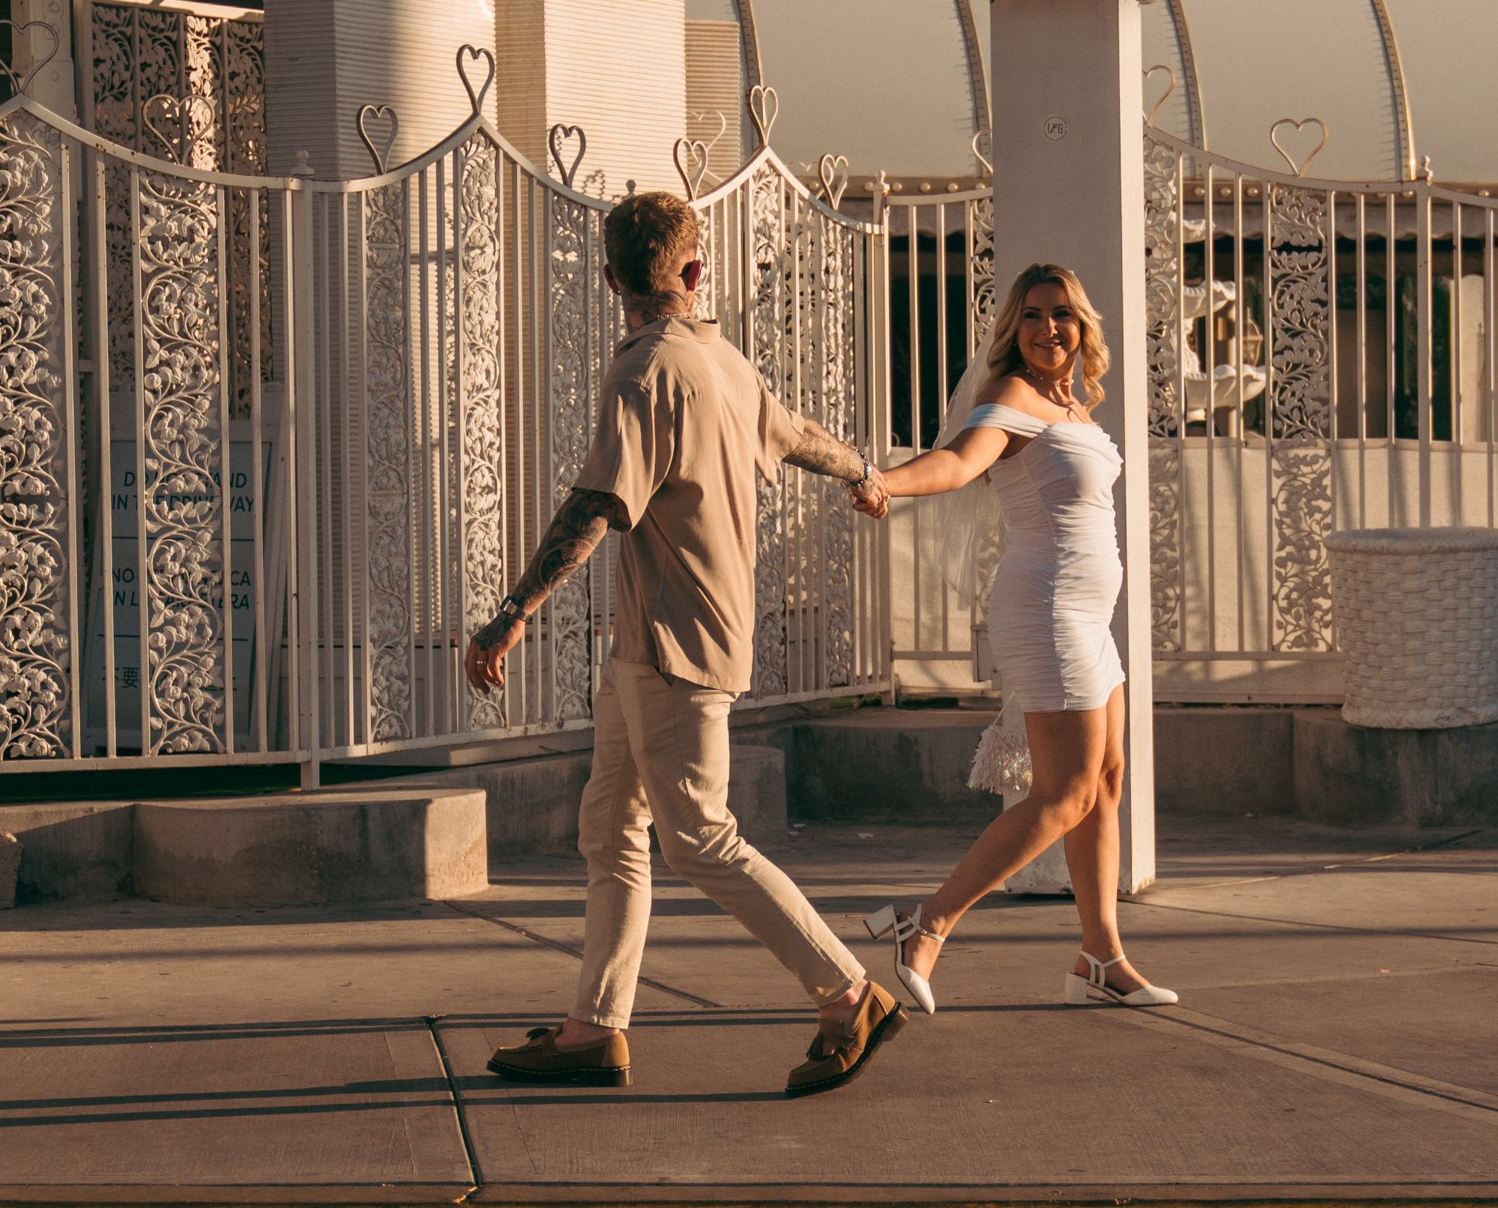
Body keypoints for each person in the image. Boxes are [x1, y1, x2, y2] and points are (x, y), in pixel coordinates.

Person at [462, 190, 900, 1098]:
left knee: (699, 837)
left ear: (611, 277)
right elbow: (798, 436)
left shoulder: (644, 373)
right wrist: (865, 471)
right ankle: (594, 1028)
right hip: (655, 644)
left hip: (677, 644)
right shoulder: (724, 363)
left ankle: (847, 991)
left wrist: (513, 610)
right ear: (697, 274)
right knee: (609, 829)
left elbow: (597, 507)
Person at [857, 262, 1178, 1009]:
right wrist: (887, 481)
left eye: (1061, 314)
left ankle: (1100, 960)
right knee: (1063, 792)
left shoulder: (1075, 409)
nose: (1047, 328)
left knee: (1106, 782)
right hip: (1046, 609)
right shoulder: (1010, 398)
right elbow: (957, 463)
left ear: (1083, 326)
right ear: (1012, 331)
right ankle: (926, 924)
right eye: (1031, 316)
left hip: (1092, 617)